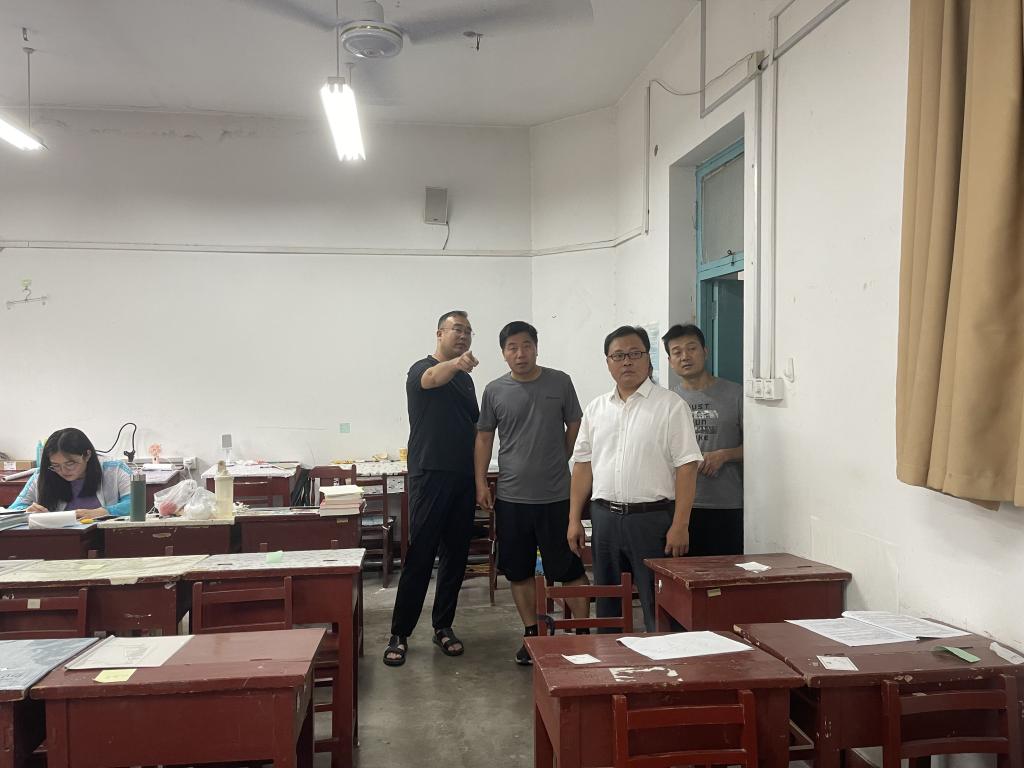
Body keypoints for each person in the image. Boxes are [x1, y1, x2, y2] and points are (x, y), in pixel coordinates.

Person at [567, 326, 702, 632]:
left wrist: (680, 524)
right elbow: (583, 465)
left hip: (652, 521)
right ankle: (610, 657)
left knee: (660, 605)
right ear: (608, 362)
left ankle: (666, 659)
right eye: (618, 355)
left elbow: (687, 467)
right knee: (608, 603)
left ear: (648, 358)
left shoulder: (670, 406)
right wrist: (574, 518)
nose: (626, 361)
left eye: (634, 353)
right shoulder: (596, 408)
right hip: (604, 519)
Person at [475, 321, 587, 666]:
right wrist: (480, 482)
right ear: (503, 353)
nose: (520, 353)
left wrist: (563, 454)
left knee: (569, 568)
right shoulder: (494, 390)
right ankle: (532, 634)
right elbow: (484, 437)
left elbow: (575, 423)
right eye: (512, 347)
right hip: (512, 498)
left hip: (557, 497)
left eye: (526, 345)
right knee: (518, 570)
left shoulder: (560, 382)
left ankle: (582, 633)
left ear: (536, 347)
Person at [385, 310, 480, 667]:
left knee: (456, 556)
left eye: (469, 331)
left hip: (463, 477)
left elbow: (474, 427)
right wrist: (456, 363)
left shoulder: (466, 381)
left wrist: (479, 477)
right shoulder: (422, 369)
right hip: (430, 475)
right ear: (440, 333)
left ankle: (443, 626)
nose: (464, 335)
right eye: (457, 329)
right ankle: (400, 633)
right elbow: (431, 379)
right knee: (421, 555)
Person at [663, 324, 744, 555]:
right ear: (670, 361)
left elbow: (759, 447)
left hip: (725, 504)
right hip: (678, 507)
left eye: (692, 348)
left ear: (705, 352)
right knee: (682, 573)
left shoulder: (735, 394)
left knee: (724, 572)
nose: (685, 356)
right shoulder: (667, 401)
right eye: (677, 352)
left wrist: (725, 455)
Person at [9, 427, 132, 519]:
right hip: (60, 538)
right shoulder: (42, 475)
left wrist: (104, 512)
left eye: (70, 463)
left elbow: (135, 503)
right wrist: (26, 512)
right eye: (56, 465)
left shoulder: (115, 469)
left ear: (87, 455)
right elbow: (13, 510)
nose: (63, 471)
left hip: (106, 537)